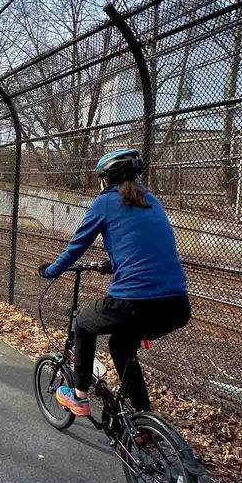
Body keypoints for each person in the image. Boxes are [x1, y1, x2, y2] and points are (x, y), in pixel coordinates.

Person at [37, 149, 190, 416]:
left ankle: (79, 397)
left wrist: (51, 270)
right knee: (121, 345)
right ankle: (144, 418)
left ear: (105, 180)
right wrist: (114, 264)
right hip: (176, 305)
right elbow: (147, 245)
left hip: (134, 302)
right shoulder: (152, 201)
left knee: (83, 322)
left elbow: (77, 246)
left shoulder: (105, 202)